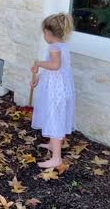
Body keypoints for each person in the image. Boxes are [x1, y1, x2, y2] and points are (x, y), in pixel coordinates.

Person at [31, 13, 75, 168]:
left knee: (55, 118)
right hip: (60, 87)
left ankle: (56, 158)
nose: (44, 35)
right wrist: (40, 77)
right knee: (56, 115)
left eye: (44, 32)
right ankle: (52, 144)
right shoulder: (62, 45)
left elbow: (55, 65)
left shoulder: (54, 47)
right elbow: (55, 69)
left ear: (48, 33)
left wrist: (39, 63)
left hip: (56, 91)